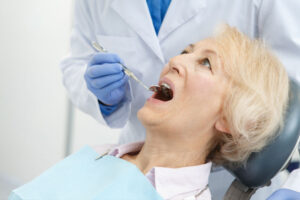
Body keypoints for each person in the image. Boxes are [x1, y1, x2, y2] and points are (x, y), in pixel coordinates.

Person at [10, 25, 293, 200]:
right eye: (185, 51)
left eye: (206, 63)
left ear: (230, 117)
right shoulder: (100, 155)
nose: (175, 60)